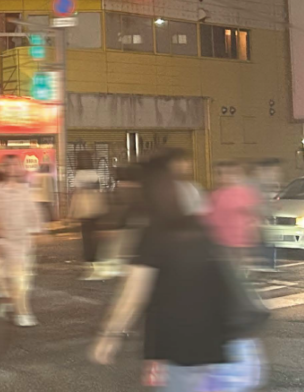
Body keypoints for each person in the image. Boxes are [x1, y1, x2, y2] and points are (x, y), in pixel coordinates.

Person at [90, 155, 248, 392]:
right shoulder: (198, 227)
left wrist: (109, 336)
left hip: (177, 342)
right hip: (212, 338)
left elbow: (133, 294)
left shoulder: (155, 234)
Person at [0, 154, 44, 327]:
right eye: (8, 165)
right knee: (11, 277)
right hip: (4, 240)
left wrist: (36, 231)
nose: (12, 168)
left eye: (15, 165)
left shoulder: (25, 190)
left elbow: (33, 212)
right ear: (3, 168)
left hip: (22, 240)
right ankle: (15, 307)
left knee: (22, 279)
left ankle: (16, 308)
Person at [207, 161, 261, 268]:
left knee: (238, 268)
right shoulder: (215, 195)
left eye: (227, 173)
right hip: (220, 240)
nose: (223, 177)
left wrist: (254, 232)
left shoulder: (243, 193)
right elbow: (209, 217)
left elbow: (253, 215)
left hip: (239, 241)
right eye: (219, 174)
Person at [71, 152, 106, 281]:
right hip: (96, 209)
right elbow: (99, 191)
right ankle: (97, 263)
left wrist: (72, 211)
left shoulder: (79, 175)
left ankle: (89, 265)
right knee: (95, 238)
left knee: (87, 240)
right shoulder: (95, 174)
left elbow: (76, 193)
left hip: (84, 210)